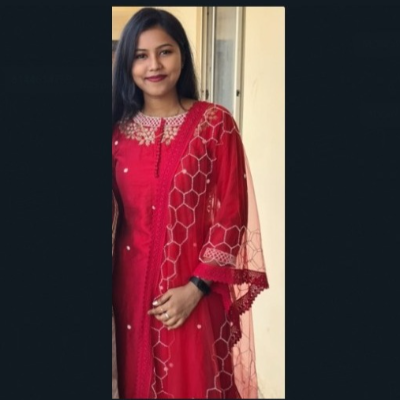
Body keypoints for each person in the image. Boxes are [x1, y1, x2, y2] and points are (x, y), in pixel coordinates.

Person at [112, 7, 269, 399]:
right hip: (130, 292)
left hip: (195, 290)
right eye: (141, 55)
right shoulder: (116, 135)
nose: (154, 65)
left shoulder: (214, 124)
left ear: (182, 54)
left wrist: (196, 287)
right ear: (127, 64)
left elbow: (232, 215)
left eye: (164, 51)